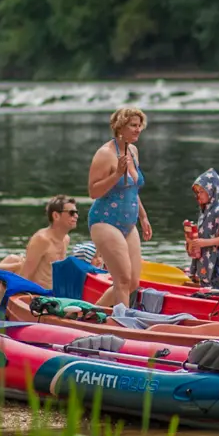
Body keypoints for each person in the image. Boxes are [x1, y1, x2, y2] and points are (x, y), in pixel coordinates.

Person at [87, 106, 150, 307]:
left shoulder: (133, 150)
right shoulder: (105, 154)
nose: (138, 129)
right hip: (104, 221)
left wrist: (143, 217)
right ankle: (123, 325)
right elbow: (93, 192)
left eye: (140, 125)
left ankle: (93, 314)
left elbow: (132, 190)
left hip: (130, 222)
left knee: (132, 283)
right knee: (121, 280)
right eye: (133, 125)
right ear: (120, 127)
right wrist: (116, 174)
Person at [14, 196, 79, 289]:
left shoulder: (66, 239)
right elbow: (25, 275)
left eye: (76, 212)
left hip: (54, 295)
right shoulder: (41, 239)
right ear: (56, 215)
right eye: (71, 213)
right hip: (38, 295)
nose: (76, 216)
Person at [185, 168, 219, 287]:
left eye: (201, 191)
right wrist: (192, 242)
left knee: (215, 283)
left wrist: (204, 243)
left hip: (215, 259)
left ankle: (218, 299)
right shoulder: (205, 209)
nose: (198, 195)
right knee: (205, 281)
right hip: (204, 259)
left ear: (212, 190)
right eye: (197, 192)